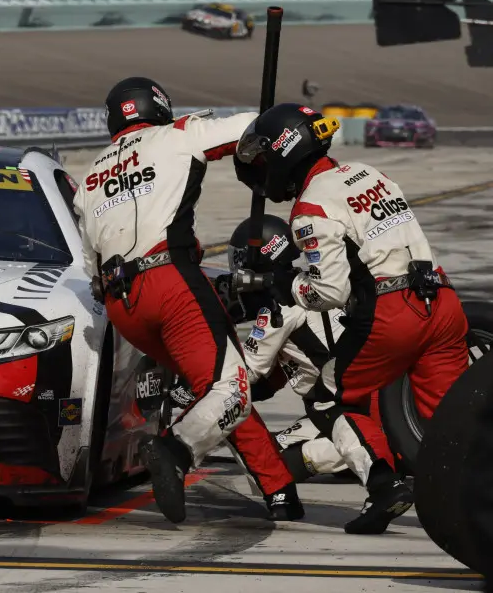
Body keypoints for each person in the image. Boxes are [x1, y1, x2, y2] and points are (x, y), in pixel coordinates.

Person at [230, 101, 469, 534]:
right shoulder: (369, 173)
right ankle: (476, 497)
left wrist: (287, 285)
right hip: (443, 302)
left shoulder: (310, 207)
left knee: (331, 397)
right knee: (451, 418)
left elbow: (329, 292)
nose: (263, 171)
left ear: (285, 151)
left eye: (264, 159)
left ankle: (384, 487)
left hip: (391, 311)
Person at [74, 77, 302, 524]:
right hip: (170, 282)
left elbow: (90, 268)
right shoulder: (176, 133)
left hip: (125, 305)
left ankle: (279, 492)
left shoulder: (90, 178)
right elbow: (256, 127)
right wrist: (266, 153)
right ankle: (175, 448)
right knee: (230, 388)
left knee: (218, 388)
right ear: (158, 106)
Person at [223, 214, 349, 483]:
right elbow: (282, 372)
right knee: (276, 444)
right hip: (344, 399)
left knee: (275, 462)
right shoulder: (316, 286)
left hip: (346, 406)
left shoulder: (279, 309)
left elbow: (244, 373)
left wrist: (191, 390)